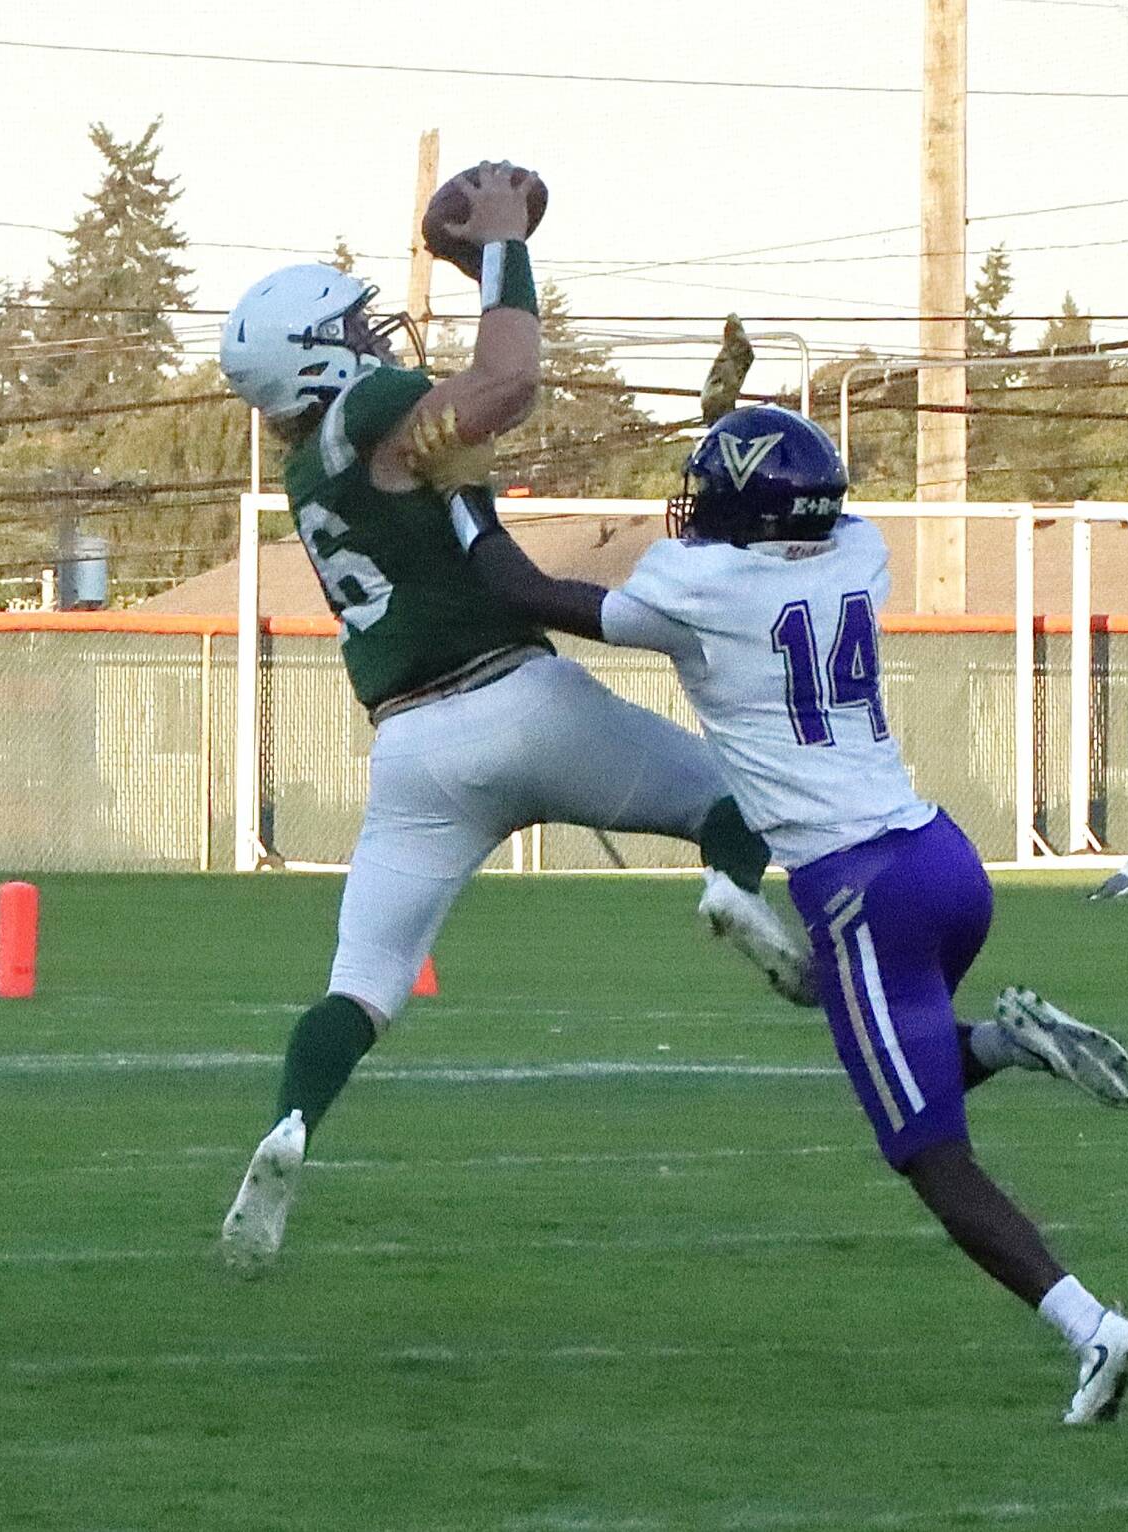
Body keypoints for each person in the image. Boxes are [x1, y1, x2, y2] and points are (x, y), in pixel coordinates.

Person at [482, 404, 1128, 1423]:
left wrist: (451, 493)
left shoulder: (697, 585)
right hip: (938, 857)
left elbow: (523, 590)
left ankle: (1091, 1327)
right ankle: (1007, 1042)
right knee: (882, 1044)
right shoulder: (857, 550)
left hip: (856, 887)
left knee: (928, 1150)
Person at [212, 165, 811, 1270]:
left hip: (409, 747)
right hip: (516, 699)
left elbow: (451, 436)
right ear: (314, 352)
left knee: (362, 985)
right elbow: (509, 376)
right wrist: (500, 242)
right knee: (731, 803)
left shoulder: (309, 467)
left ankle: (291, 1124)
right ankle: (730, 889)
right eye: (347, 324)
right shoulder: (375, 407)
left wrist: (476, 268)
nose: (371, 332)